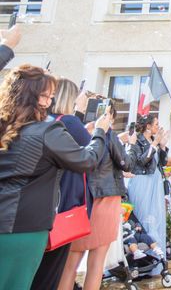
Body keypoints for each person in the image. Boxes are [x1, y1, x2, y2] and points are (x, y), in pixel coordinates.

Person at [0, 65, 108, 290]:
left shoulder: (5, 128)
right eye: (45, 96)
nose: (49, 102)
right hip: (23, 226)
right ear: (31, 97)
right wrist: (99, 132)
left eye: (51, 96)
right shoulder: (47, 130)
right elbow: (87, 161)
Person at [59, 105, 135, 290]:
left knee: (70, 265)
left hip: (81, 199)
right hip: (106, 199)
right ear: (109, 117)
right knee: (96, 263)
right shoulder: (108, 135)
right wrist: (130, 144)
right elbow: (127, 163)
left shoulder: (75, 131)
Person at [31, 79, 91, 290]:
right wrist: (80, 113)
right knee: (52, 270)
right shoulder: (69, 122)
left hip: (35, 204)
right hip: (61, 202)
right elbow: (89, 150)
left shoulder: (40, 121)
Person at [127, 115, 169, 271]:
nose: (158, 127)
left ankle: (155, 260)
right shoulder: (137, 140)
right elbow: (141, 161)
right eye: (156, 124)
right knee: (143, 217)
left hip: (155, 183)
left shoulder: (154, 141)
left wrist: (163, 146)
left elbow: (162, 163)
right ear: (148, 126)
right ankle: (139, 261)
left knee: (155, 218)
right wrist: (155, 143)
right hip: (142, 182)